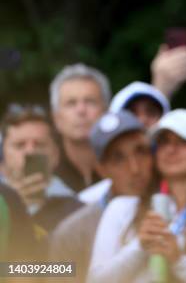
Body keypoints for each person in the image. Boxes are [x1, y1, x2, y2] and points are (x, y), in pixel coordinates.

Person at [87, 109, 186, 283]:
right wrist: (139, 246)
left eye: (184, 141)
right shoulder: (121, 208)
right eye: (163, 142)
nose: (171, 149)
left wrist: (179, 261)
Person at [51, 110, 153, 283]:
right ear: (101, 169)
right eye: (118, 158)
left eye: (141, 151)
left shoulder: (174, 208)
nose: (135, 168)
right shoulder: (73, 232)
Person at [0, 104, 81, 238]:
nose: (30, 151)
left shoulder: (77, 211)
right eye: (20, 145)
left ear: (55, 155)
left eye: (39, 144)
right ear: (2, 158)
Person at [50, 63, 110, 192]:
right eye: (71, 103)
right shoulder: (46, 178)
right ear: (56, 118)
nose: (81, 110)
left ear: (105, 112)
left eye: (90, 101)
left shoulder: (126, 168)